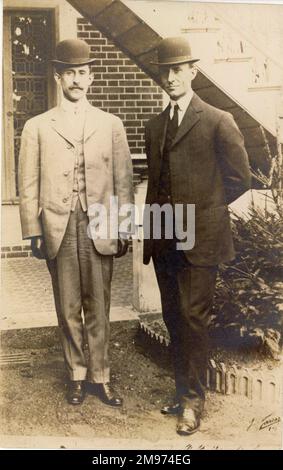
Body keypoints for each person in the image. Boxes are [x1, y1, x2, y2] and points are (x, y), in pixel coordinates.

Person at [143, 36, 251, 435]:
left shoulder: (217, 119)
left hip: (200, 239)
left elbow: (239, 179)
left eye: (177, 69)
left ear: (192, 71)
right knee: (173, 317)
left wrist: (203, 210)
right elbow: (156, 183)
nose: (170, 77)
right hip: (162, 237)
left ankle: (193, 402)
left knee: (193, 318)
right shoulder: (154, 127)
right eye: (164, 71)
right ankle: (180, 390)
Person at [18, 39, 134, 407]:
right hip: (59, 224)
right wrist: (33, 230)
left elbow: (123, 181)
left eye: (83, 73)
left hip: (99, 221)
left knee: (98, 303)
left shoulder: (110, 124)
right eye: (70, 73)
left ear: (92, 77)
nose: (77, 80)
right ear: (58, 77)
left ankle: (101, 376)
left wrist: (125, 226)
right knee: (68, 306)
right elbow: (29, 184)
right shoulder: (37, 127)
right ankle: (76, 376)